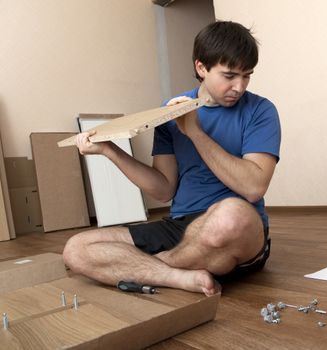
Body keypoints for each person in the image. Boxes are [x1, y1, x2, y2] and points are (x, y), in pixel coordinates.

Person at [63, 21, 281, 296]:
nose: (239, 86)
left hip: (235, 229)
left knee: (231, 215)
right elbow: (164, 189)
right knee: (77, 249)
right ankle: (180, 277)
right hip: (179, 226)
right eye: (229, 76)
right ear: (202, 68)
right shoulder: (170, 112)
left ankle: (153, 268)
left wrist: (194, 132)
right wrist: (110, 151)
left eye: (246, 76)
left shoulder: (261, 111)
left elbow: (253, 187)